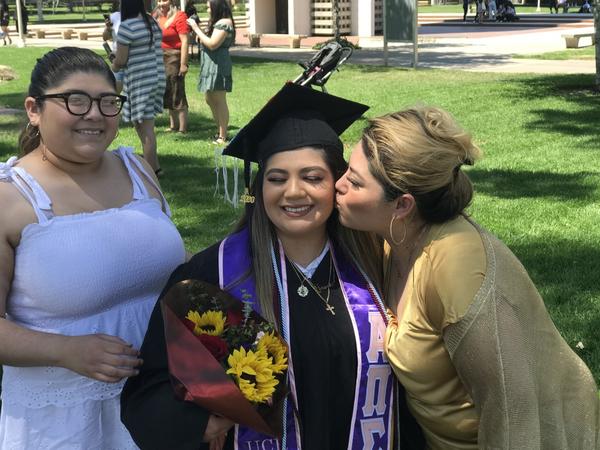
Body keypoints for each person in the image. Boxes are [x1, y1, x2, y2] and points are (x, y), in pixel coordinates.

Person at [121, 83, 425, 450]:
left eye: (313, 177)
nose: (293, 192)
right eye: (277, 178)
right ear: (259, 187)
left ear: (337, 185)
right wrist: (202, 421)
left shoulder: (378, 267)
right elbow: (149, 388)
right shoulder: (212, 275)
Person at [334, 105, 600, 450]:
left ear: (402, 205)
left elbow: (513, 412)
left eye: (354, 182)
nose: (337, 185)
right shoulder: (391, 238)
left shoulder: (457, 269)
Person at [0, 47, 186, 449]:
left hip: (157, 399)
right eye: (75, 100)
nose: (95, 114)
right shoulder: (10, 199)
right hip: (64, 420)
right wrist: (65, 350)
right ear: (34, 109)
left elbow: (172, 270)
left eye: (107, 101)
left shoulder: (137, 169)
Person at [112, 0, 166, 176]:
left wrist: (113, 65)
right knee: (142, 123)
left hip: (141, 80)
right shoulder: (151, 22)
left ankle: (151, 171)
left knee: (145, 127)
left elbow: (120, 61)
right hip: (156, 78)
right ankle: (155, 165)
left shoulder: (127, 26)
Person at [187, 0, 235, 145]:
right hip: (211, 64)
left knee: (219, 100)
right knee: (209, 99)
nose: (207, 9)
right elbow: (209, 41)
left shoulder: (225, 23)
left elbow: (213, 44)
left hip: (218, 65)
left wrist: (196, 28)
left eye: (209, 6)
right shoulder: (218, 22)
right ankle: (219, 131)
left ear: (217, 6)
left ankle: (223, 135)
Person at [154, 0, 190, 134]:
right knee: (168, 90)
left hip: (174, 57)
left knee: (177, 91)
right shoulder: (157, 15)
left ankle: (182, 128)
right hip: (160, 57)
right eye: (159, 0)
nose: (161, 3)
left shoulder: (180, 16)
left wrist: (183, 63)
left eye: (164, 0)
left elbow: (185, 40)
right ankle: (173, 125)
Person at [102, 2, 123, 92]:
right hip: (117, 58)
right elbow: (105, 37)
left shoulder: (139, 17)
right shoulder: (114, 17)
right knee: (113, 89)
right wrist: (107, 29)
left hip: (134, 60)